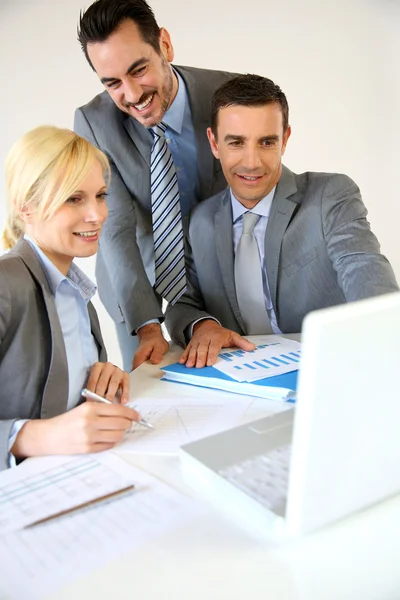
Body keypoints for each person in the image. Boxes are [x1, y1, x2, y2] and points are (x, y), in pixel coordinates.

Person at [165, 74, 399, 368]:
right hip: (242, 384)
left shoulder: (330, 196)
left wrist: (385, 336)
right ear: (214, 143)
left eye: (266, 142)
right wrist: (203, 326)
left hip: (329, 370)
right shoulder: (200, 220)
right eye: (236, 142)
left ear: (285, 140)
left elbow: (364, 269)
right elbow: (182, 303)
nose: (252, 162)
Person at [74, 0, 236, 371]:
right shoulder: (94, 123)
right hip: (134, 283)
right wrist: (147, 325)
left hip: (216, 272)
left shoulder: (226, 93)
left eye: (139, 70)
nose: (131, 95)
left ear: (165, 45)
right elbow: (114, 229)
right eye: (112, 83)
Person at [0, 125, 141, 471]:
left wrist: (97, 377)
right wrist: (37, 437)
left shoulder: (75, 291)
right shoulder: (6, 284)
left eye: (101, 195)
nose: (97, 215)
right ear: (26, 210)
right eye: (74, 199)